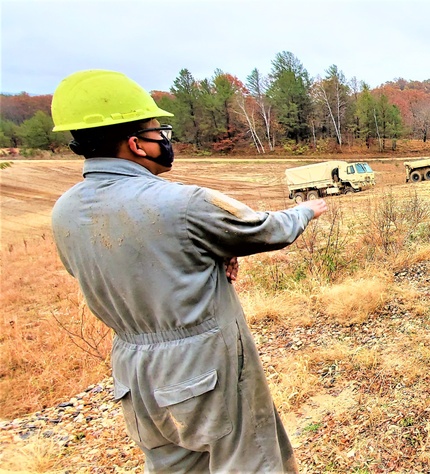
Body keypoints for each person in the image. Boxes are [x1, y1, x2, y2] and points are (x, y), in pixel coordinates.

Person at [49, 69, 328, 472]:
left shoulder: (65, 211)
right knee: (250, 463)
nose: (165, 139)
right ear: (135, 145)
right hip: (202, 368)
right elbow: (265, 230)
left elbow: (120, 268)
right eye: (157, 130)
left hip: (134, 375)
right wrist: (306, 210)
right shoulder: (182, 202)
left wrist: (204, 258)